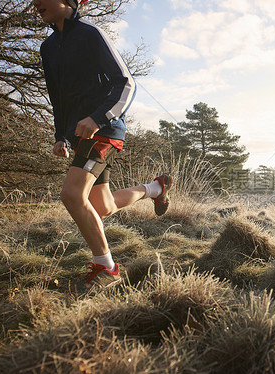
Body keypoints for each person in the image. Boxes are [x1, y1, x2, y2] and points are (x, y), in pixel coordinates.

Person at [33, 0, 172, 291]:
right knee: (102, 206)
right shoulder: (47, 48)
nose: (36, 3)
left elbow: (126, 83)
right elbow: (57, 98)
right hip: (79, 134)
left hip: (105, 129)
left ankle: (107, 268)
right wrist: (60, 135)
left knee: (72, 195)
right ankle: (155, 188)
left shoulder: (89, 32)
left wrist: (97, 119)